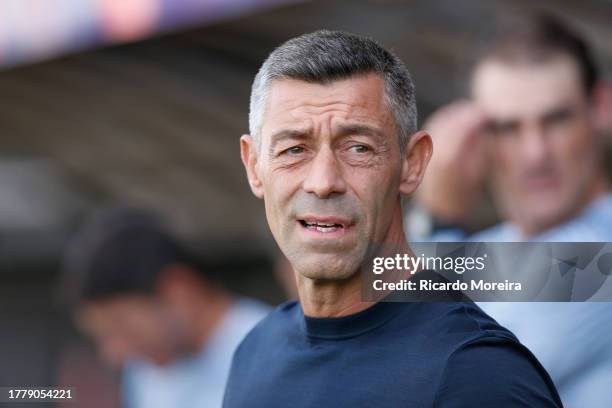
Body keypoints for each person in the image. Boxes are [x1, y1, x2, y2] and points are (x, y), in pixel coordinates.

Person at [222, 30, 562, 407]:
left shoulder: (477, 375)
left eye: (358, 148)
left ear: (412, 163)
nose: (323, 182)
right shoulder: (254, 353)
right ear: (254, 166)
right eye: (294, 149)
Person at [411, 14, 612, 407]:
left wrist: (435, 221)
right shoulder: (478, 252)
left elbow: (432, 376)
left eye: (557, 119)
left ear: (601, 107)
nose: (535, 154)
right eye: (506, 127)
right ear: (472, 135)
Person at [64, 207, 270, 408]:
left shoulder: (271, 353)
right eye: (103, 337)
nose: (115, 354)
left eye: (123, 328)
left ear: (177, 290)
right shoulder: (146, 370)